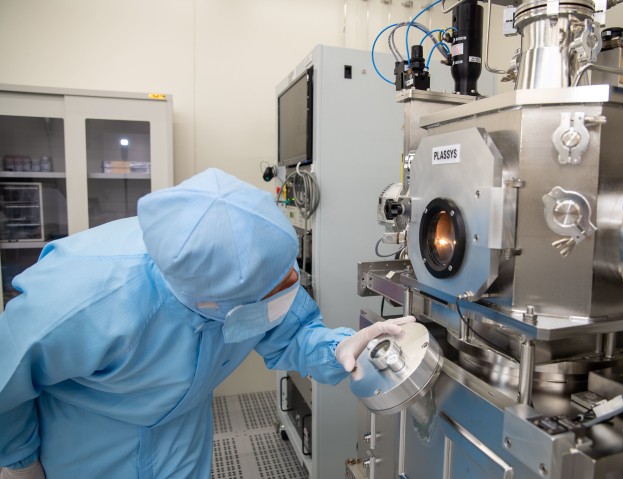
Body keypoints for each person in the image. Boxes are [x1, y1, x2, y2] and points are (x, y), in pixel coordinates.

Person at [0, 168, 413, 479]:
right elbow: (6, 383)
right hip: (90, 446)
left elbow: (292, 329)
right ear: (215, 303)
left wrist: (332, 347)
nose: (293, 285)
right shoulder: (86, 296)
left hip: (184, 440)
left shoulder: (250, 262)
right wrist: (21, 463)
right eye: (280, 284)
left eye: (290, 273)